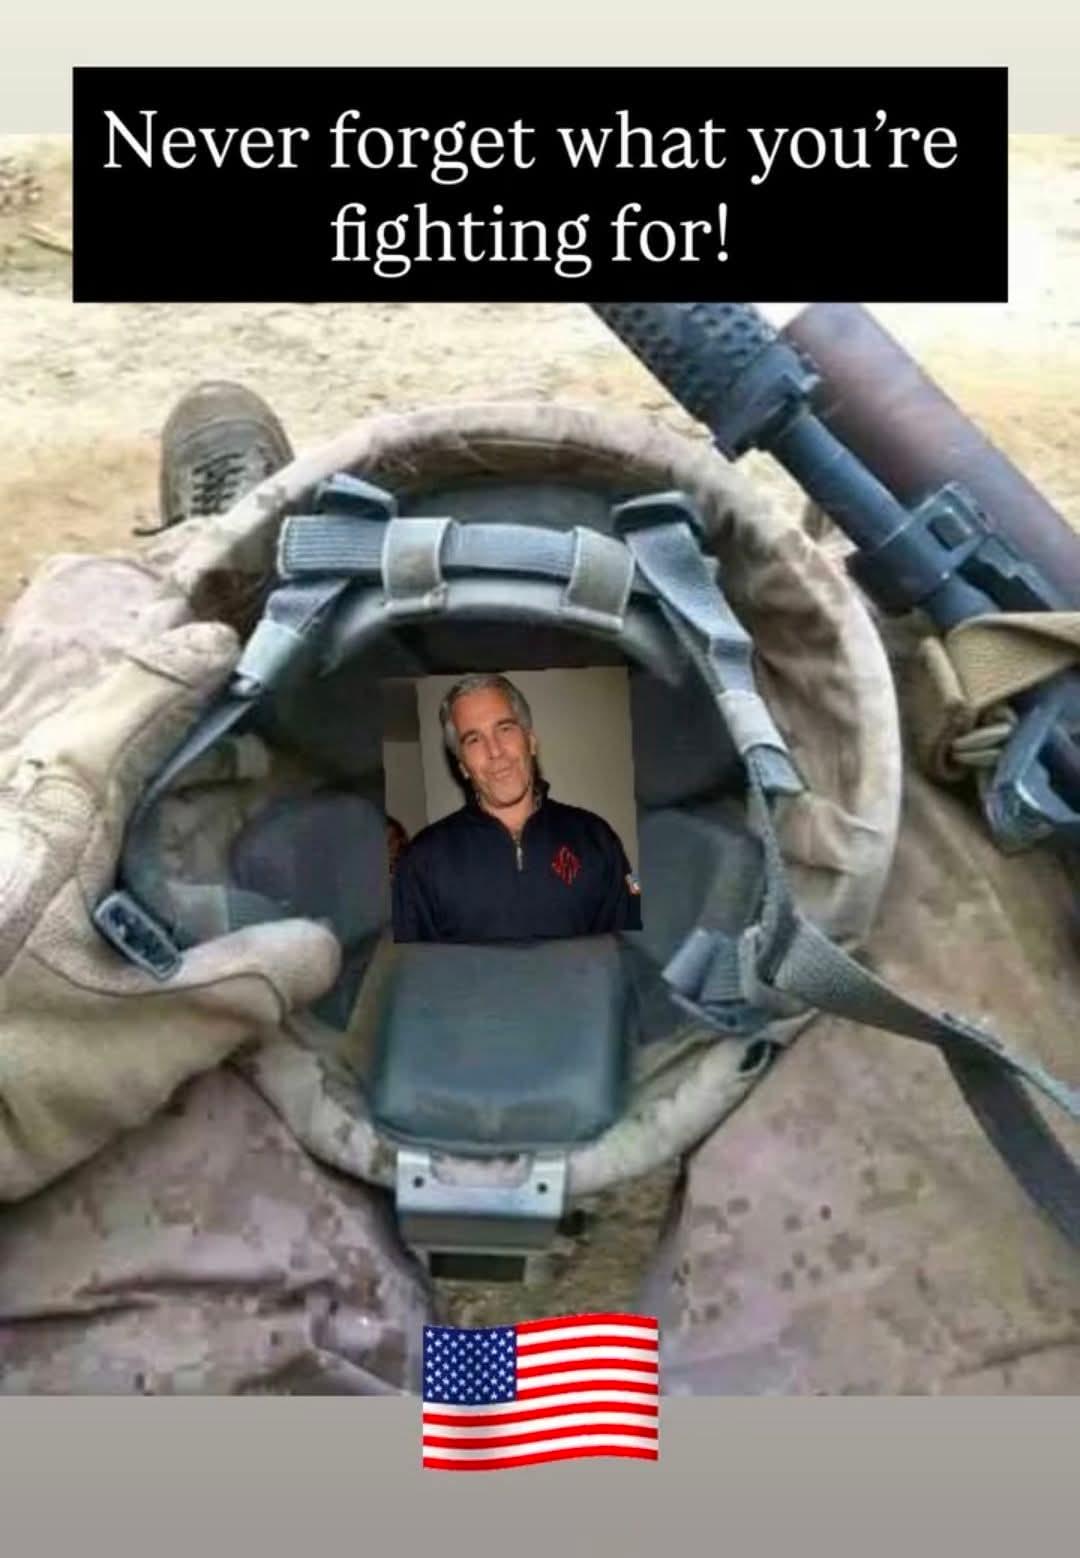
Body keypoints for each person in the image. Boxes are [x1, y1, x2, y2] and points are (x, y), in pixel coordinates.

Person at [391, 673, 642, 943]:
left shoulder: (596, 838)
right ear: (462, 766)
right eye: (474, 739)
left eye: (505, 728)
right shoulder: (422, 861)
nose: (495, 751)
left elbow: (629, 952)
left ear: (530, 741)